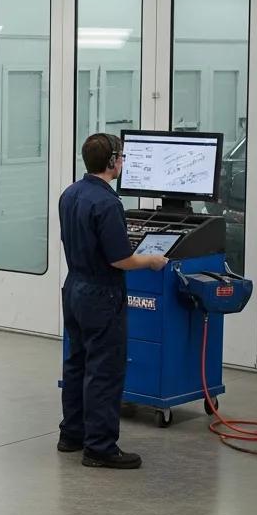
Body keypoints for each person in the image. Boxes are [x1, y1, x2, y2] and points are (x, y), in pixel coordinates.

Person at [58, 133, 169, 469]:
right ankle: (100, 447)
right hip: (102, 294)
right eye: (121, 157)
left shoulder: (70, 194)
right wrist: (151, 260)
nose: (122, 163)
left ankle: (72, 435)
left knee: (77, 363)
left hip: (74, 287)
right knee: (104, 370)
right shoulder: (107, 204)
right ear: (112, 162)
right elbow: (120, 260)